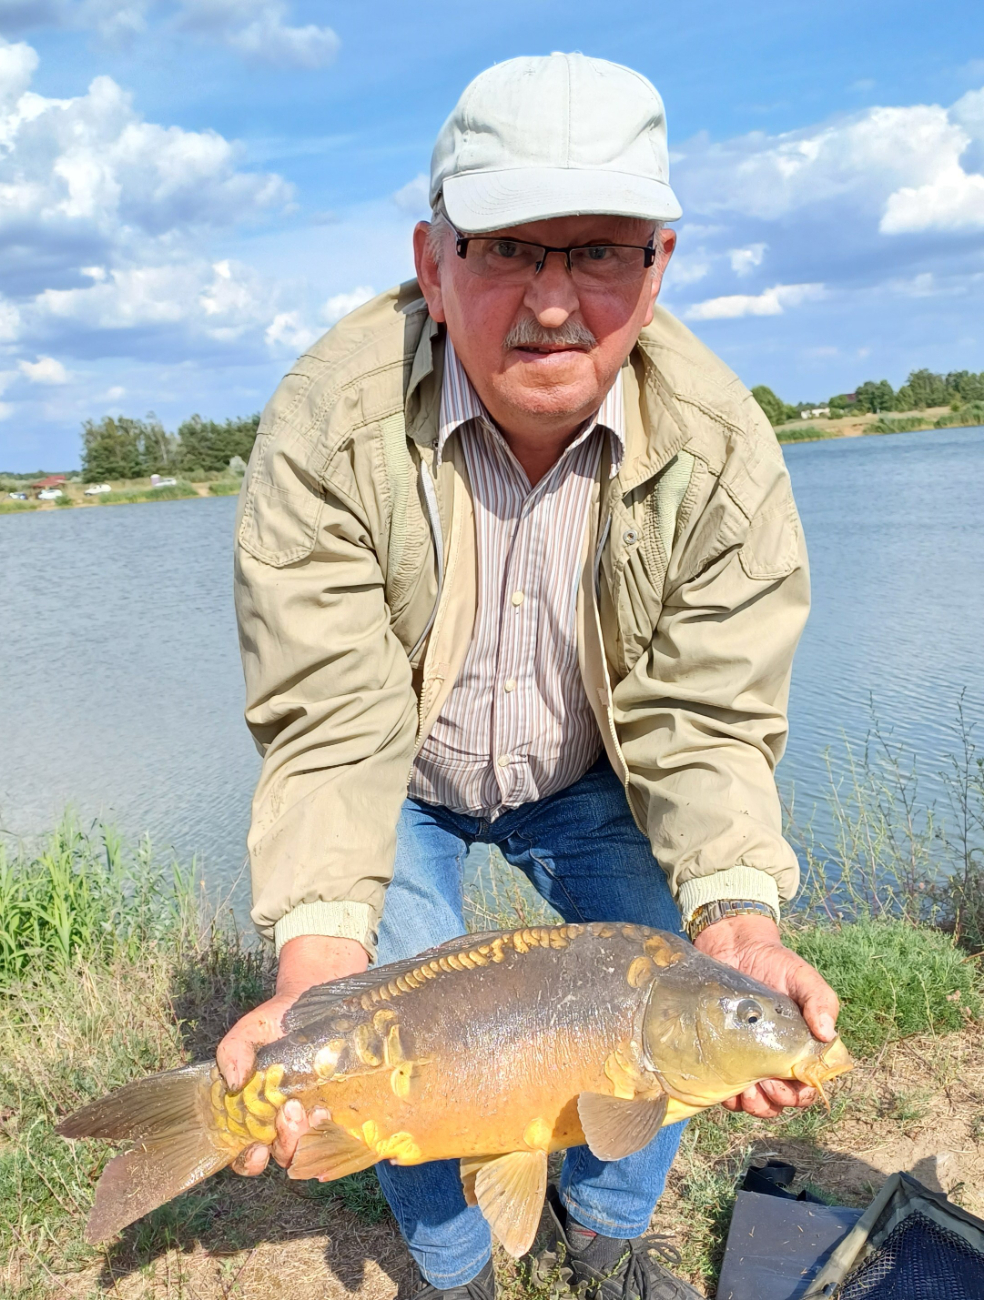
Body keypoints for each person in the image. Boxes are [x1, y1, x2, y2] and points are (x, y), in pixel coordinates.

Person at [220, 53, 840, 1300]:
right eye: (508, 248)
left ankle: (607, 1228)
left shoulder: (723, 450)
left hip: (590, 771)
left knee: (677, 965)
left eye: (598, 250)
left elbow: (704, 721)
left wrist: (735, 918)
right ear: (432, 264)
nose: (553, 302)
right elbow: (333, 724)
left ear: (656, 268)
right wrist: (315, 966)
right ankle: (454, 1260)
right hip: (400, 775)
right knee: (384, 1010)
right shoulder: (326, 423)